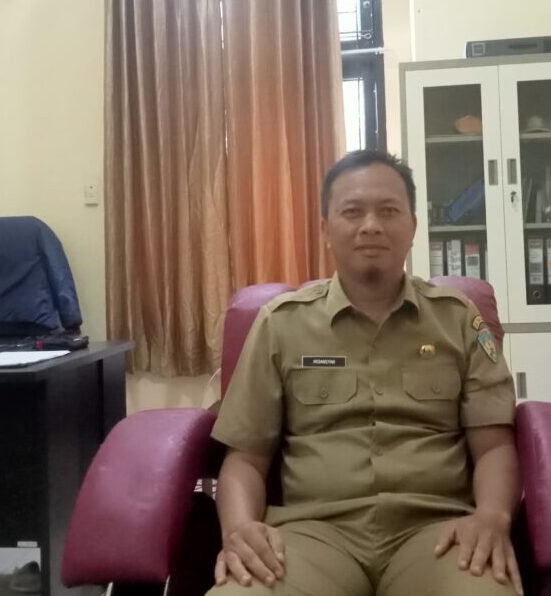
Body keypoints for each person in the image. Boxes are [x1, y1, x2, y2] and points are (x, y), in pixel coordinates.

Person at [208, 150, 521, 596]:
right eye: (352, 212)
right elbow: (245, 459)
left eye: (388, 211)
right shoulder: (281, 324)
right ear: (325, 230)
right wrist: (239, 528)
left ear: (413, 227)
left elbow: (494, 446)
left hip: (437, 534)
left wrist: (492, 516)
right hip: (312, 536)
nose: (371, 225)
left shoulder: (457, 319)